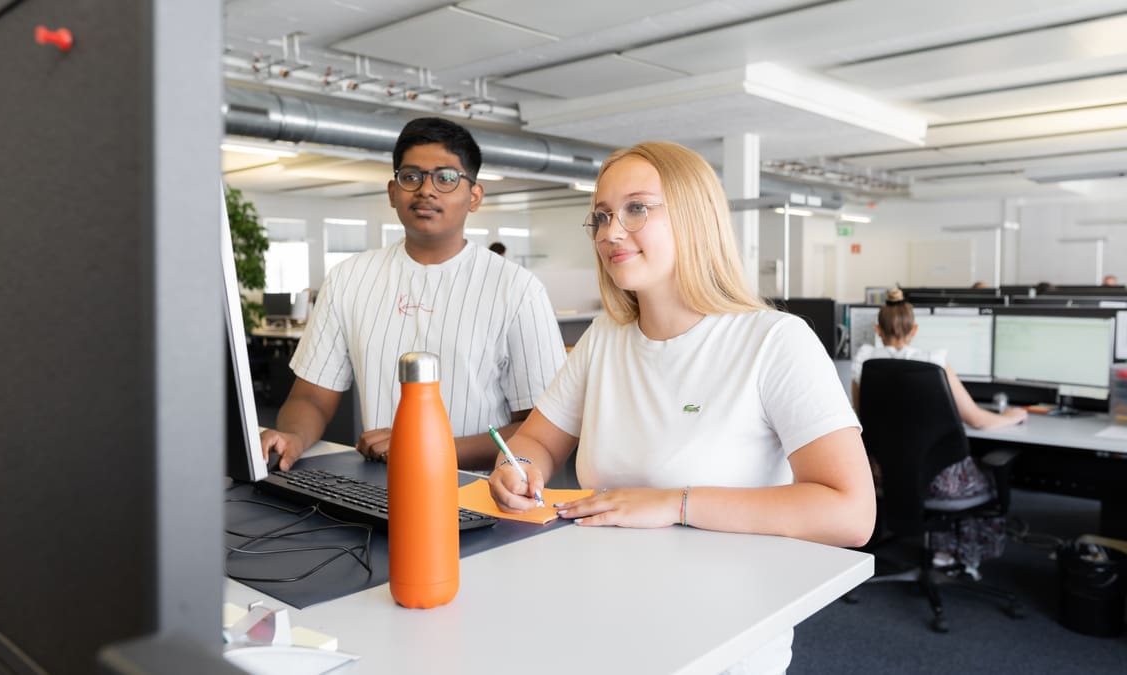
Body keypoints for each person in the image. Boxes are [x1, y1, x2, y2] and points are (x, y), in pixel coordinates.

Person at [488, 141, 874, 675]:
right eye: (600, 215)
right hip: (602, 615)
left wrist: (674, 503)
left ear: (694, 218)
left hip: (721, 635)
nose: (610, 231)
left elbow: (851, 513)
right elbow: (536, 440)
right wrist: (519, 466)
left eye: (636, 208)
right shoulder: (605, 338)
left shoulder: (774, 340)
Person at [260, 117, 566, 471]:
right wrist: (293, 438)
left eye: (446, 178)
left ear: (475, 196)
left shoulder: (517, 289)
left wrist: (426, 449)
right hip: (378, 485)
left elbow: (543, 429)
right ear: (393, 192)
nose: (426, 190)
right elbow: (311, 396)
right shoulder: (349, 279)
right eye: (412, 177)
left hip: (482, 492)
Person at [851, 287, 1025, 576]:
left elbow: (862, 423)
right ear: (915, 329)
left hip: (885, 476)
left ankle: (941, 550)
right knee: (983, 470)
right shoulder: (933, 362)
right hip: (941, 483)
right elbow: (980, 421)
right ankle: (955, 555)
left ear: (877, 329)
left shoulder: (863, 364)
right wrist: (1010, 416)